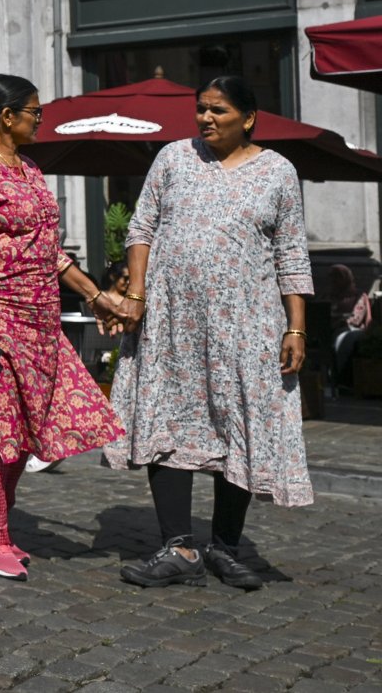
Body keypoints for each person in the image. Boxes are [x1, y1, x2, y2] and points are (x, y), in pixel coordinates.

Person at [105, 75, 313, 592]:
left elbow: (291, 255)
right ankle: (178, 547)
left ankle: (225, 548)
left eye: (218, 110)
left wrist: (296, 327)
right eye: (201, 109)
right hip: (171, 325)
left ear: (248, 117)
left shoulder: (278, 172)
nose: (206, 119)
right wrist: (135, 294)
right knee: (168, 420)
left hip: (245, 329)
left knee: (235, 424)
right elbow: (142, 227)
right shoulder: (174, 158)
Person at [0, 74, 123, 579]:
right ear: (7, 116)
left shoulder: (31, 171)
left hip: (38, 325)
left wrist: (97, 295)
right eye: (34, 112)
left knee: (22, 434)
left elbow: (50, 252)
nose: (41, 120)